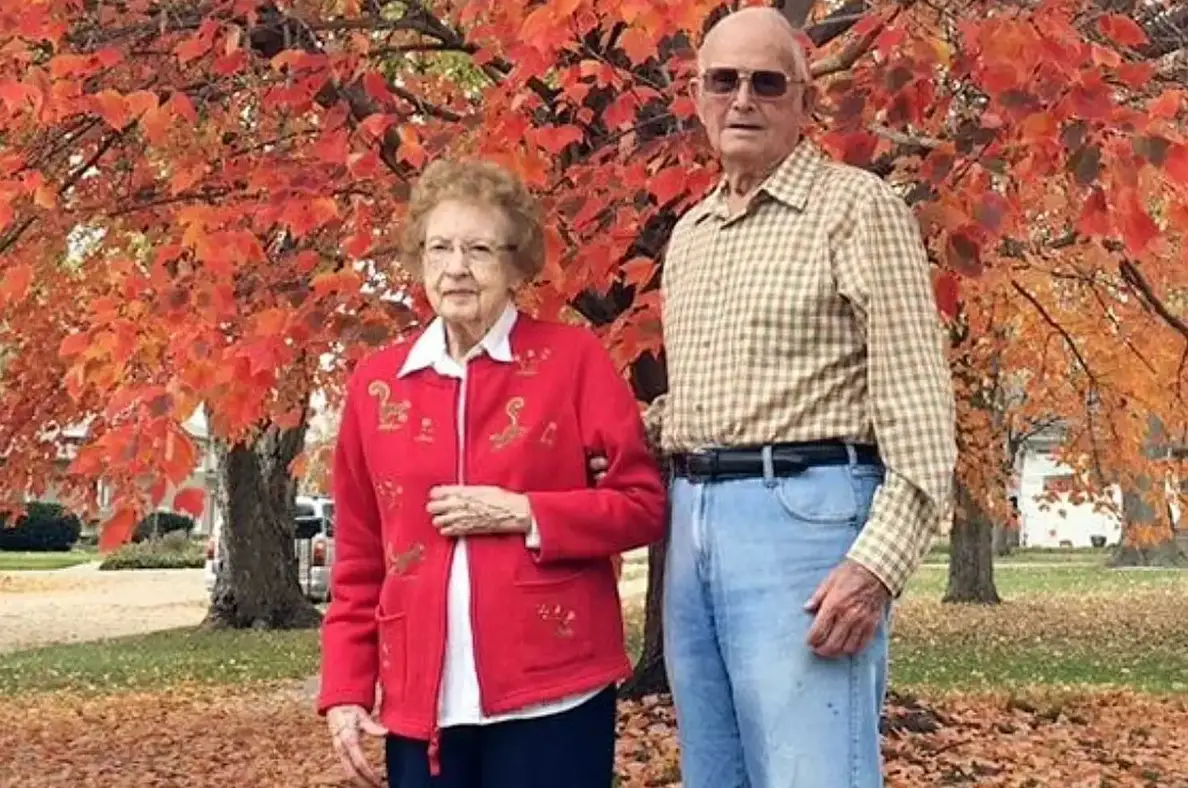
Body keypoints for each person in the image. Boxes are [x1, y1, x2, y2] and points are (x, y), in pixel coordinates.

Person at [650, 7, 958, 788]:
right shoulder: (690, 237)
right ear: (697, 96)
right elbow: (693, 408)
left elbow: (919, 409)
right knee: (713, 775)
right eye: (724, 81)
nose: (743, 100)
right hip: (691, 529)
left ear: (804, 101)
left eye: (766, 82)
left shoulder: (856, 209)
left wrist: (876, 568)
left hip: (806, 522)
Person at [317, 158, 667, 788]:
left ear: (514, 263)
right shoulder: (376, 385)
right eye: (440, 248)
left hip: (554, 690)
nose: (456, 267)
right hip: (420, 699)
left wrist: (525, 512)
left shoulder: (572, 361)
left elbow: (642, 504)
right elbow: (360, 556)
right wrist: (345, 688)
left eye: (479, 248)